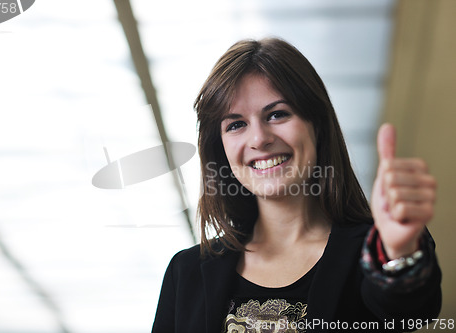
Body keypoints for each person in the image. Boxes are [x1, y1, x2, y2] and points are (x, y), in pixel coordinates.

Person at [152, 38, 441, 333]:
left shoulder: (379, 252)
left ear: (317, 125)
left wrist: (399, 256)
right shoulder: (185, 273)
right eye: (236, 124)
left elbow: (408, 311)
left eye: (277, 114)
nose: (259, 139)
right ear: (220, 148)